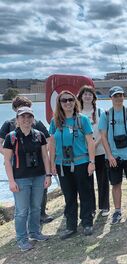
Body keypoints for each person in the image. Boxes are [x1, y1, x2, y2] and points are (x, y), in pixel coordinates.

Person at [3, 107, 52, 251]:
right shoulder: (11, 137)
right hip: (20, 179)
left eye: (29, 117)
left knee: (36, 207)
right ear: (17, 120)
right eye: (23, 117)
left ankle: (35, 232)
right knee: (22, 210)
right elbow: (7, 161)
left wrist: (48, 175)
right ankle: (22, 239)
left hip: (38, 176)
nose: (26, 120)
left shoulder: (39, 135)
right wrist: (11, 181)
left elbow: (45, 156)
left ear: (33, 119)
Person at [49, 91, 96, 239]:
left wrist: (92, 162)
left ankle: (87, 223)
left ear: (75, 101)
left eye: (70, 99)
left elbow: (90, 142)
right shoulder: (55, 122)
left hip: (81, 163)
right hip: (63, 165)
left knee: (85, 193)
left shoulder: (83, 120)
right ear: (59, 103)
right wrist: (51, 164)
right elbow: (52, 144)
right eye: (64, 101)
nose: (68, 103)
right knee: (69, 196)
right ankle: (71, 226)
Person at [0, 96, 54, 224]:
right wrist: (10, 155)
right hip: (18, 164)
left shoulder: (37, 123)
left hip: (37, 163)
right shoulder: (8, 124)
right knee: (21, 191)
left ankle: (41, 214)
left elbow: (48, 140)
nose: (25, 113)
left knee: (41, 188)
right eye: (20, 108)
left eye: (27, 107)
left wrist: (42, 153)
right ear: (15, 110)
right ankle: (25, 221)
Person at [99, 86, 127, 224]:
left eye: (120, 95)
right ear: (111, 98)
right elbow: (103, 136)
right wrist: (110, 156)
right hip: (113, 157)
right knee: (116, 184)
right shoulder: (106, 115)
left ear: (124, 97)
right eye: (115, 96)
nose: (118, 98)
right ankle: (117, 211)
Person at [78, 85, 110, 217]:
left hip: (100, 150)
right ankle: (90, 208)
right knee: (87, 181)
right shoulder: (77, 113)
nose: (87, 96)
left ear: (93, 97)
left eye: (90, 94)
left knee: (103, 179)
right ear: (80, 97)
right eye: (85, 94)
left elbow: (104, 131)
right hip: (84, 153)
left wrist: (95, 144)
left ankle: (104, 206)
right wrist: (87, 147)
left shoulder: (100, 112)